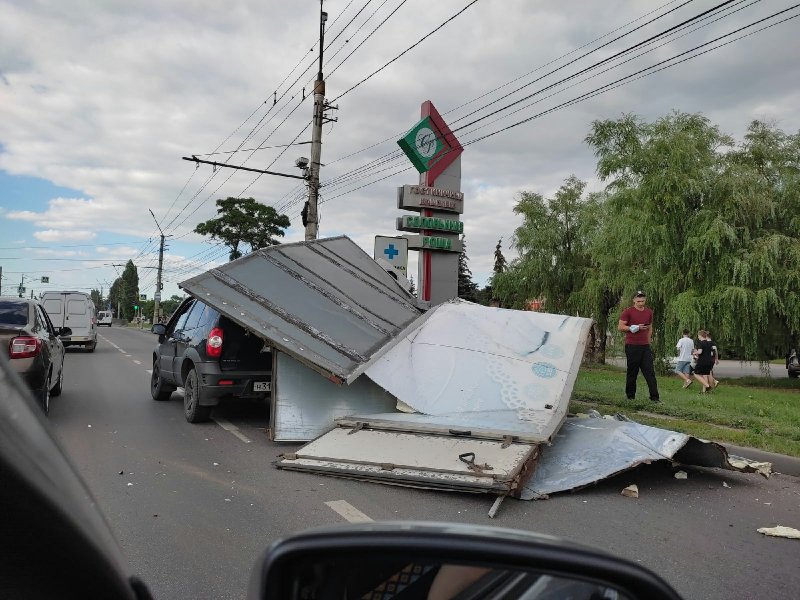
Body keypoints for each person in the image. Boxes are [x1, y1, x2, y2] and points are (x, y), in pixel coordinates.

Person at [618, 291, 659, 402]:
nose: (641, 303)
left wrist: (649, 340)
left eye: (643, 301)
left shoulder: (649, 312)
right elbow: (621, 327)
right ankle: (630, 396)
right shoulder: (628, 312)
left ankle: (655, 397)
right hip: (632, 345)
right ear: (634, 301)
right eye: (638, 301)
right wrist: (634, 327)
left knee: (649, 372)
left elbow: (650, 327)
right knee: (633, 372)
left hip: (644, 346)